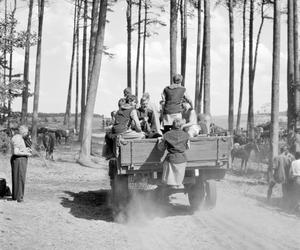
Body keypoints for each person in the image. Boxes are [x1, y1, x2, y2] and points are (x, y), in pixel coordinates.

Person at [158, 118, 190, 189]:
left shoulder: (166, 135)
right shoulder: (186, 135)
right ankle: (179, 184)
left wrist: (159, 141)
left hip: (171, 159)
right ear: (181, 126)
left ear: (172, 126)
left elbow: (161, 148)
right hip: (182, 159)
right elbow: (188, 147)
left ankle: (169, 183)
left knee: (165, 162)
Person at [10, 125, 32, 202]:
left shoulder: (17, 137)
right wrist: (26, 154)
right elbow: (16, 152)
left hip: (18, 159)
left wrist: (25, 149)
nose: (27, 134)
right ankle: (19, 197)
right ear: (23, 132)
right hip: (19, 160)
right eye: (26, 132)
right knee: (20, 178)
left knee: (16, 177)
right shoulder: (18, 139)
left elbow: (19, 149)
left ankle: (15, 196)